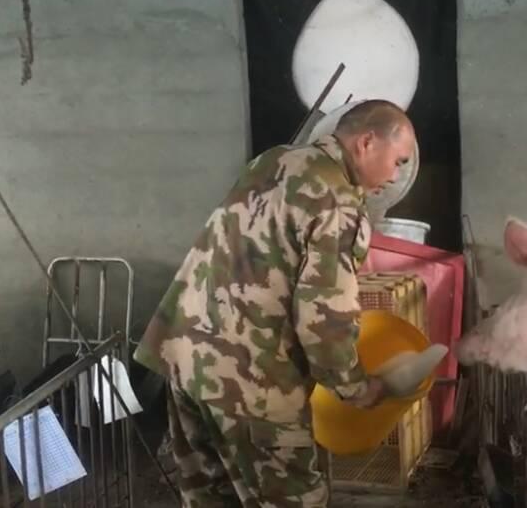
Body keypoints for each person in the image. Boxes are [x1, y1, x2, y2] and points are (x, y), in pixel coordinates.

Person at [133, 99, 417, 507]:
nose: (395, 177)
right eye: (398, 161)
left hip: (186, 358)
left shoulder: (273, 160)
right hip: (250, 380)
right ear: (367, 142)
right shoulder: (337, 202)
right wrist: (355, 387)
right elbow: (322, 318)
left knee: (212, 497)